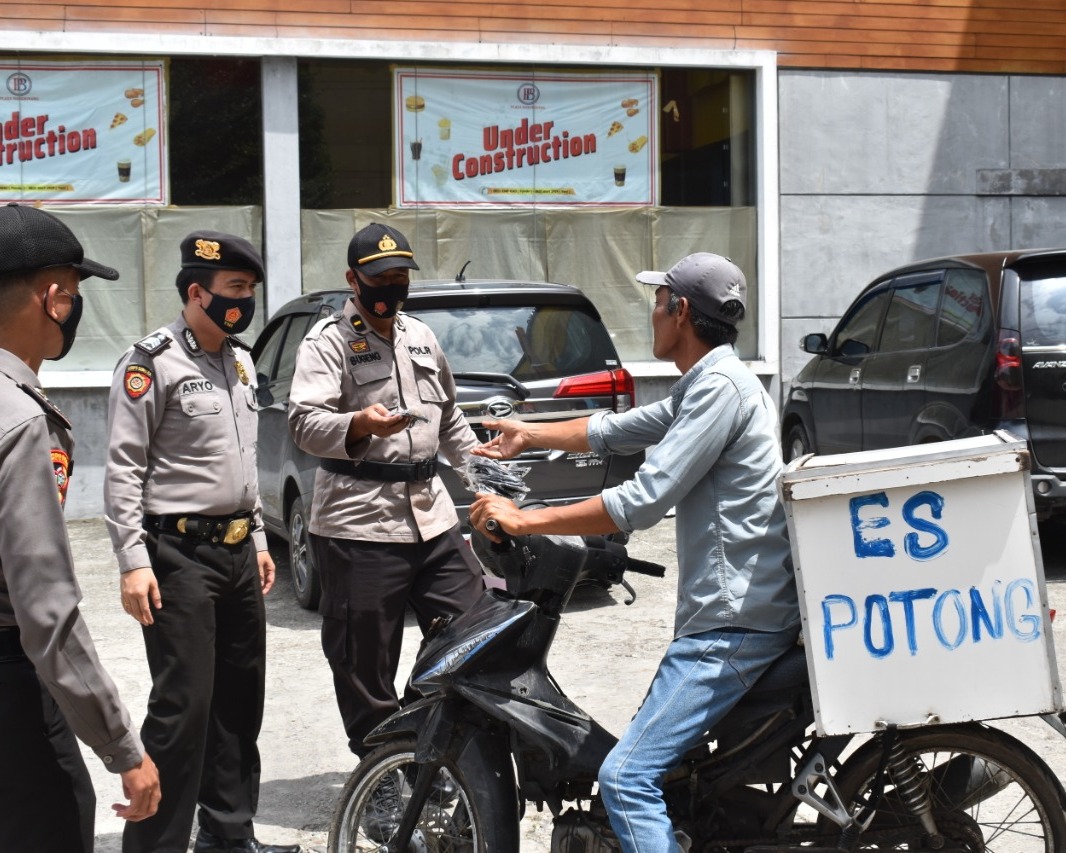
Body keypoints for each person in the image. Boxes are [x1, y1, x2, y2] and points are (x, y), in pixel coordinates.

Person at [469, 252, 801, 853]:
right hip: (727, 617)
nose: (651, 313)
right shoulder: (708, 382)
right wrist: (529, 432)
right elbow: (615, 429)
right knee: (671, 776)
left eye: (657, 301)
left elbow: (643, 500)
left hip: (732, 626)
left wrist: (525, 519)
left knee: (625, 778)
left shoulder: (721, 388)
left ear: (680, 311)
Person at [103, 231, 299, 853]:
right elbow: (124, 471)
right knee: (182, 708)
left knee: (241, 703)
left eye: (250, 291)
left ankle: (228, 837)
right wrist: (133, 563)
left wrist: (263, 540)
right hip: (178, 556)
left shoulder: (240, 362)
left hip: (240, 553)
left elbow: (242, 466)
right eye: (234, 290)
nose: (244, 302)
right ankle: (156, 846)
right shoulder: (150, 363)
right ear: (197, 291)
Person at [287, 222, 483, 761]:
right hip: (359, 524)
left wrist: (483, 479)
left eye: (400, 278)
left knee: (475, 629)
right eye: (380, 279)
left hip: (432, 515)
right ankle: (385, 775)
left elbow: (450, 419)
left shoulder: (420, 335)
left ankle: (421, 728)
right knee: (364, 666)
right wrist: (357, 424)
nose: (391, 289)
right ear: (354, 279)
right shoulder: (328, 343)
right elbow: (303, 424)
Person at [0, 203, 161, 853]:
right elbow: (46, 611)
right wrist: (123, 746)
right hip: (12, 694)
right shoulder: (19, 419)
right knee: (57, 818)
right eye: (76, 291)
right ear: (54, 297)